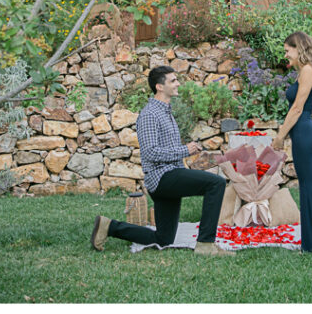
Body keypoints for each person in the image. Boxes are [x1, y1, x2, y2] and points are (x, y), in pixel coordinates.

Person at [90, 66, 229, 256]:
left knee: (164, 239)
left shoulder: (165, 112)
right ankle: (205, 244)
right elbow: (150, 153)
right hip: (162, 178)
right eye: (172, 80)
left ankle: (109, 227)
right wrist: (184, 150)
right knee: (216, 183)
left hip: (170, 175)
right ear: (159, 87)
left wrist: (187, 154)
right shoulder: (150, 114)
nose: (178, 83)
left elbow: (164, 149)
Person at [273, 31, 312, 253]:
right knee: (309, 187)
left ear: (299, 48)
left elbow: (297, 108)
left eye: (288, 50)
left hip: (304, 132)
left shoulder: (307, 70)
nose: (286, 54)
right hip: (302, 133)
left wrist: (280, 137)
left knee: (309, 187)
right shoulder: (305, 70)